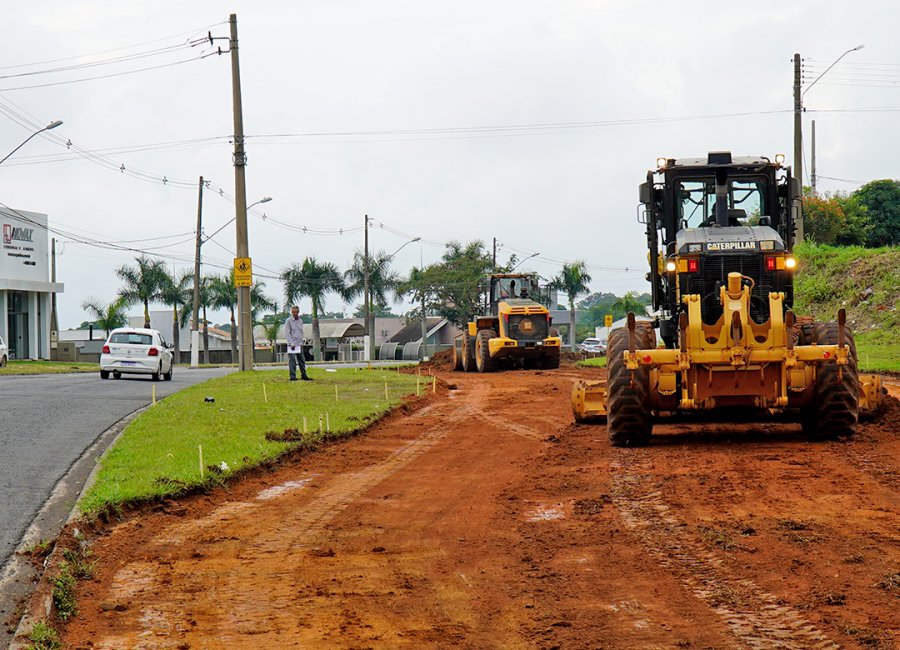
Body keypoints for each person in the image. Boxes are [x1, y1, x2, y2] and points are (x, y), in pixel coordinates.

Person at [285, 305, 311, 381]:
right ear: (291, 312)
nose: (295, 314)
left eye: (296, 312)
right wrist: (291, 343)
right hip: (292, 344)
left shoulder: (300, 321)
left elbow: (301, 331)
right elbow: (287, 333)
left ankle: (304, 375)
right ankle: (292, 376)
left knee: (302, 360)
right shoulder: (288, 321)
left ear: (298, 312)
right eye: (293, 312)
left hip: (299, 343)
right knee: (292, 361)